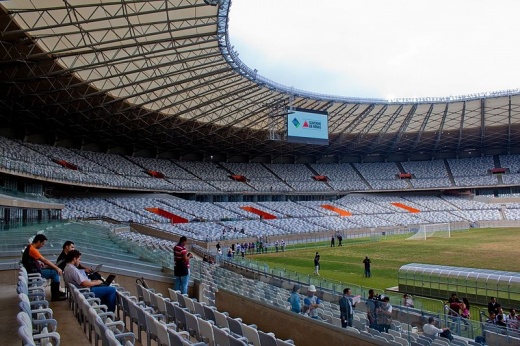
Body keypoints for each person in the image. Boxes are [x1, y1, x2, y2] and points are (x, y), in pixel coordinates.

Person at [21, 234, 66, 301]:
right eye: (42, 244)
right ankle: (55, 296)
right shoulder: (32, 249)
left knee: (53, 271)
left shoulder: (29, 248)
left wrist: (40, 264)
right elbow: (45, 260)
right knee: (55, 273)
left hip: (33, 270)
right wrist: (57, 268)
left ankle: (56, 293)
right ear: (38, 241)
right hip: (34, 272)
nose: (42, 246)